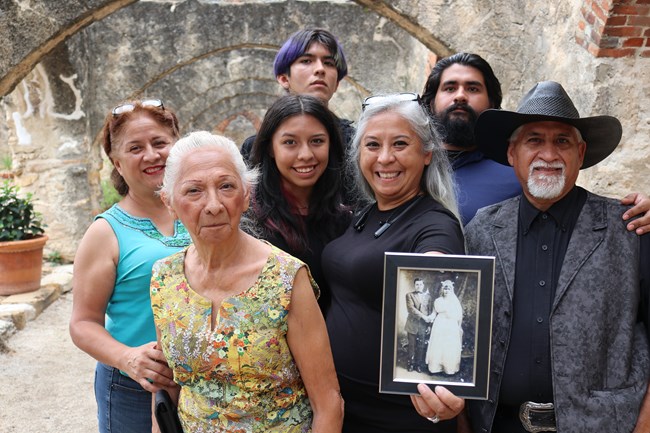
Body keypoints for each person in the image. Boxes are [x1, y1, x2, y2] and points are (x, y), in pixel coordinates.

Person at [445, 81, 648, 432]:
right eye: (534, 140)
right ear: (512, 154)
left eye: (562, 141)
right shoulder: (480, 230)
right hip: (497, 424)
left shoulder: (628, 229)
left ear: (580, 154)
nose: (549, 154)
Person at [151, 131, 343, 432]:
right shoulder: (164, 278)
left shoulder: (285, 279)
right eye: (194, 191)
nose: (213, 205)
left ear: (245, 195)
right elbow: (167, 390)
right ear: (170, 202)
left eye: (226, 186)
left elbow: (329, 403)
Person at [322, 93, 466, 432]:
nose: (385, 158)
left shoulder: (434, 224)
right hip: (343, 408)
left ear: (427, 153)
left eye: (400, 144)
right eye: (372, 145)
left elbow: (437, 271)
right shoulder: (366, 213)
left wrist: (444, 395)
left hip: (394, 415)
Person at [69, 99, 191, 433]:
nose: (151, 155)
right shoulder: (105, 232)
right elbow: (82, 323)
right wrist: (128, 358)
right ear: (117, 163)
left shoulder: (200, 211)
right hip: (135, 387)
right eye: (135, 148)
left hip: (205, 385)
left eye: (160, 143)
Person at [422, 52, 650, 229]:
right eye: (450, 87)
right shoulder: (405, 166)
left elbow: (577, 213)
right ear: (431, 101)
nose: (460, 95)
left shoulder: (523, 170)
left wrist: (637, 210)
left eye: (473, 88)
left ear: (492, 103)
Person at [248, 94, 351, 316]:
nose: (305, 155)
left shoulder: (348, 219)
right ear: (270, 148)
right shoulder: (247, 220)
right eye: (290, 143)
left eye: (317, 141)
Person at [240, 28, 354, 161]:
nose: (320, 69)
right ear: (284, 79)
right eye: (306, 61)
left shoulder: (354, 143)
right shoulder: (255, 149)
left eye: (328, 63)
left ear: (336, 84)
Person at [425, 280, 463, 376]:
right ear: (442, 290)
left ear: (451, 290)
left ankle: (448, 368)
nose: (446, 291)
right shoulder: (438, 301)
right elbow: (434, 313)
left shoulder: (454, 301)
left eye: (448, 289)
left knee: (448, 345)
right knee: (438, 344)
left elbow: (459, 315)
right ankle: (435, 368)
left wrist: (458, 326)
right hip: (439, 324)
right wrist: (428, 318)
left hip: (450, 325)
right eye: (445, 289)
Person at [405, 277, 433, 373]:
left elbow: (429, 311)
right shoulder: (409, 295)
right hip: (412, 324)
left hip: (423, 325)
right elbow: (411, 309)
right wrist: (423, 317)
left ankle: (418, 365)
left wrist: (429, 325)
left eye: (420, 284)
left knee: (421, 346)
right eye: (417, 284)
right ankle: (410, 364)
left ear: (423, 285)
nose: (419, 286)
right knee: (411, 345)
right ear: (414, 285)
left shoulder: (428, 297)